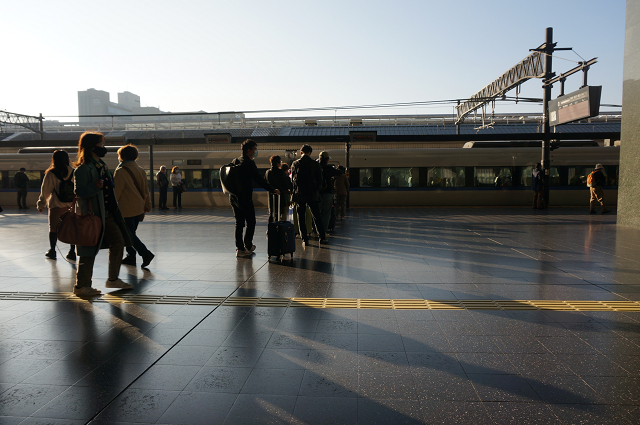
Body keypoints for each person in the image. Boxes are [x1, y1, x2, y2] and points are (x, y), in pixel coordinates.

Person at [73, 131, 133, 296]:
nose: (103, 147)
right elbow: (79, 192)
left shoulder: (102, 166)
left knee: (118, 242)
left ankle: (113, 279)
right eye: (100, 144)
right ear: (91, 147)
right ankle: (81, 286)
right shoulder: (83, 169)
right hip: (92, 216)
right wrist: (94, 186)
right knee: (88, 250)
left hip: (108, 214)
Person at [228, 139, 280, 258]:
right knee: (251, 222)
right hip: (244, 197)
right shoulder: (249, 163)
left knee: (239, 223)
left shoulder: (235, 160)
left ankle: (240, 249)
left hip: (233, 197)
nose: (256, 151)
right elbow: (259, 180)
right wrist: (272, 190)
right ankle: (248, 245)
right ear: (249, 150)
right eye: (255, 149)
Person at [114, 144, 155, 269]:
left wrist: (110, 207)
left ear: (121, 156)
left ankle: (145, 253)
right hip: (138, 208)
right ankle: (131, 256)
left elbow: (116, 193)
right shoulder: (140, 170)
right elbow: (145, 190)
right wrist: (147, 205)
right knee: (131, 233)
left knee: (128, 234)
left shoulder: (121, 171)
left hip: (126, 209)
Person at [36, 150, 77, 260]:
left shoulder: (51, 173)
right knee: (72, 228)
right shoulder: (74, 172)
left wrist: (41, 204)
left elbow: (45, 190)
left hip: (56, 206)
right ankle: (72, 251)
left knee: (53, 228)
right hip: (72, 206)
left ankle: (53, 251)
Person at [291, 144, 328, 246]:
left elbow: (293, 179)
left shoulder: (295, 163)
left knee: (301, 217)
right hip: (312, 194)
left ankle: (304, 239)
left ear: (301, 152)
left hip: (299, 194)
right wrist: (316, 189)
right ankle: (322, 237)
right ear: (310, 153)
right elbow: (320, 179)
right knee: (316, 216)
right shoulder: (315, 164)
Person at [318, 151, 341, 234]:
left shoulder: (316, 167)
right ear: (327, 159)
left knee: (316, 213)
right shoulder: (329, 168)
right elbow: (339, 173)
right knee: (326, 213)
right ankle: (323, 231)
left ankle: (316, 229)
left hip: (317, 193)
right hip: (327, 192)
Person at [265, 155, 293, 222]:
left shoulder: (267, 172)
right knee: (279, 213)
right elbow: (287, 184)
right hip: (280, 196)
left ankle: (271, 227)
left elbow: (265, 183)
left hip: (271, 195)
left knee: (272, 213)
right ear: (277, 163)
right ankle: (278, 226)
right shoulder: (280, 172)